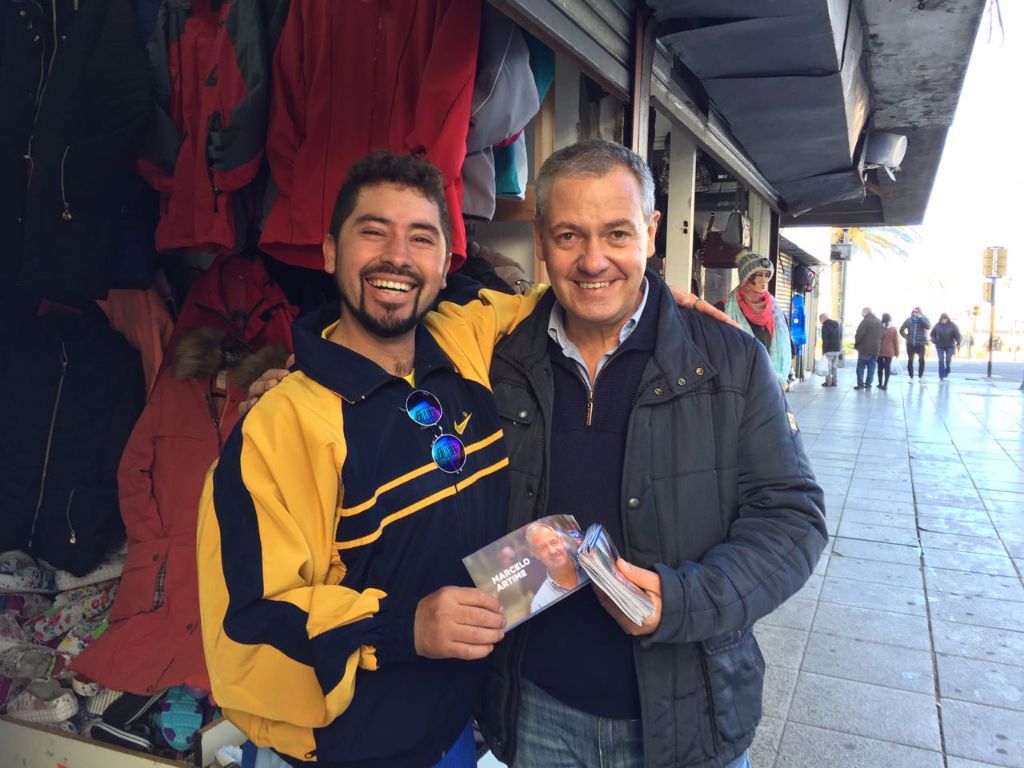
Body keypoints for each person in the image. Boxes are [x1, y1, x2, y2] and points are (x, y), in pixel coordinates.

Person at [243, 141, 826, 768]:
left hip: (688, 719)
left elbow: (792, 520)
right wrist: (306, 381)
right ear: (542, 241)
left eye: (617, 234)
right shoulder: (493, 357)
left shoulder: (730, 362)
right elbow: (382, 352)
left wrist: (683, 600)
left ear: (652, 233)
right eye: (570, 235)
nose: (594, 260)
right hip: (533, 717)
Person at [196, 152, 544, 768]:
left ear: (443, 267)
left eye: (421, 237)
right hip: (339, 752)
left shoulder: (461, 340)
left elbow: (578, 293)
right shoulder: (282, 424)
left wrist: (662, 299)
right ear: (331, 253)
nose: (397, 257)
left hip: (452, 735)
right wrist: (402, 628)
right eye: (373, 231)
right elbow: (244, 628)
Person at [722, 250, 793, 388]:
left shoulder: (776, 312)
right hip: (739, 385)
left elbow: (789, 347)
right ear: (746, 277)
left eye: (767, 275)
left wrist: (785, 377)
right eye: (758, 275)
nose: (764, 280)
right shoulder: (724, 309)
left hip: (774, 386)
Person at [524, 521, 584, 612]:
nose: (552, 551)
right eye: (543, 548)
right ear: (536, 555)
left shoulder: (589, 564)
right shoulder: (540, 604)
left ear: (562, 541)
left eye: (554, 542)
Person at [853, 307, 883, 390]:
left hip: (864, 349)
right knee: (871, 368)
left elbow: (859, 334)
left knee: (860, 368)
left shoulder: (865, 321)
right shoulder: (879, 322)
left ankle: (860, 385)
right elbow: (883, 335)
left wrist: (856, 345)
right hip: (875, 349)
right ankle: (868, 385)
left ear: (865, 312)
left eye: (862, 312)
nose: (861, 314)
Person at [900, 306, 931, 379]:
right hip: (910, 344)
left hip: (920, 344)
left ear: (920, 313)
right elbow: (901, 330)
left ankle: (920, 375)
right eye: (914, 312)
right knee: (910, 360)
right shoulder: (909, 320)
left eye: (917, 312)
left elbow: (928, 326)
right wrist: (907, 337)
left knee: (921, 360)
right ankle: (911, 376)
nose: (915, 313)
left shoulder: (924, 319)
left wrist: (920, 317)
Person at [930, 312, 962, 380]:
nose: (944, 320)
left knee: (948, 359)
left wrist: (958, 343)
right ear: (940, 319)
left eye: (945, 319)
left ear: (947, 319)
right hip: (939, 346)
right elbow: (932, 334)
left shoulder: (952, 325)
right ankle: (941, 375)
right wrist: (934, 340)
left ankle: (947, 369)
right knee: (941, 361)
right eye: (942, 319)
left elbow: (957, 335)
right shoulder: (937, 325)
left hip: (950, 345)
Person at [877, 313, 900, 390]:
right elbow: (896, 342)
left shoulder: (879, 327)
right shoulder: (893, 329)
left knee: (880, 368)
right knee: (887, 368)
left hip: (879, 351)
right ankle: (885, 384)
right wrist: (897, 353)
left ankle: (880, 383)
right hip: (889, 351)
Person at [819, 312, 842, 387]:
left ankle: (828, 382)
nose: (820, 321)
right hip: (837, 349)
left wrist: (824, 351)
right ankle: (834, 382)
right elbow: (840, 336)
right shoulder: (837, 325)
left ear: (823, 318)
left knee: (828, 367)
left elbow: (825, 339)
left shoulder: (825, 326)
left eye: (820, 319)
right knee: (834, 367)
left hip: (829, 350)